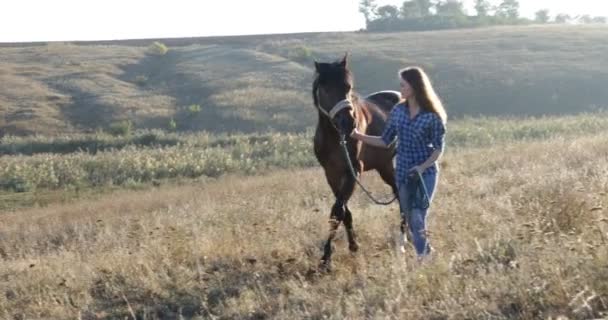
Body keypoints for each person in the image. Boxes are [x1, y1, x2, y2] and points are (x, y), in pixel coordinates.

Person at [350, 66, 447, 260]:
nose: (400, 88)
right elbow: (385, 140)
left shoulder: (432, 115)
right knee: (411, 218)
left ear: (415, 86)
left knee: (418, 215)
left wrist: (422, 166)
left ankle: (423, 256)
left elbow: (438, 148)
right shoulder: (398, 111)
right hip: (403, 171)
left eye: (403, 84)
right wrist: (357, 135)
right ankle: (427, 252)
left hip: (424, 172)